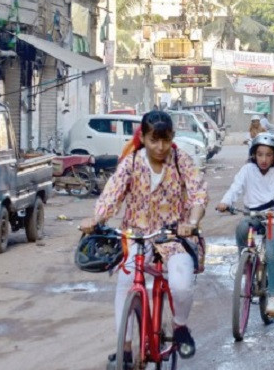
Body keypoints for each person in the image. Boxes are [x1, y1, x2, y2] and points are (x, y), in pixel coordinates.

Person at [79, 110, 208, 368]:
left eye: (165, 139)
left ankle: (180, 326)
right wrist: (96, 219)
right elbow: (113, 192)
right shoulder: (132, 161)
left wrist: (191, 224)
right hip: (136, 235)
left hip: (173, 236)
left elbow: (198, 195)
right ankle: (125, 347)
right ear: (144, 138)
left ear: (172, 137)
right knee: (126, 281)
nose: (159, 147)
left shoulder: (182, 160)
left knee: (181, 284)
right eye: (153, 140)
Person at [216, 133, 274, 316]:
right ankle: (247, 263)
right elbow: (235, 188)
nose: (264, 159)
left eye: (268, 155)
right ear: (253, 155)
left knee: (271, 251)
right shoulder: (247, 170)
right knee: (242, 227)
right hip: (254, 215)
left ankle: (273, 296)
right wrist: (225, 202)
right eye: (260, 154)